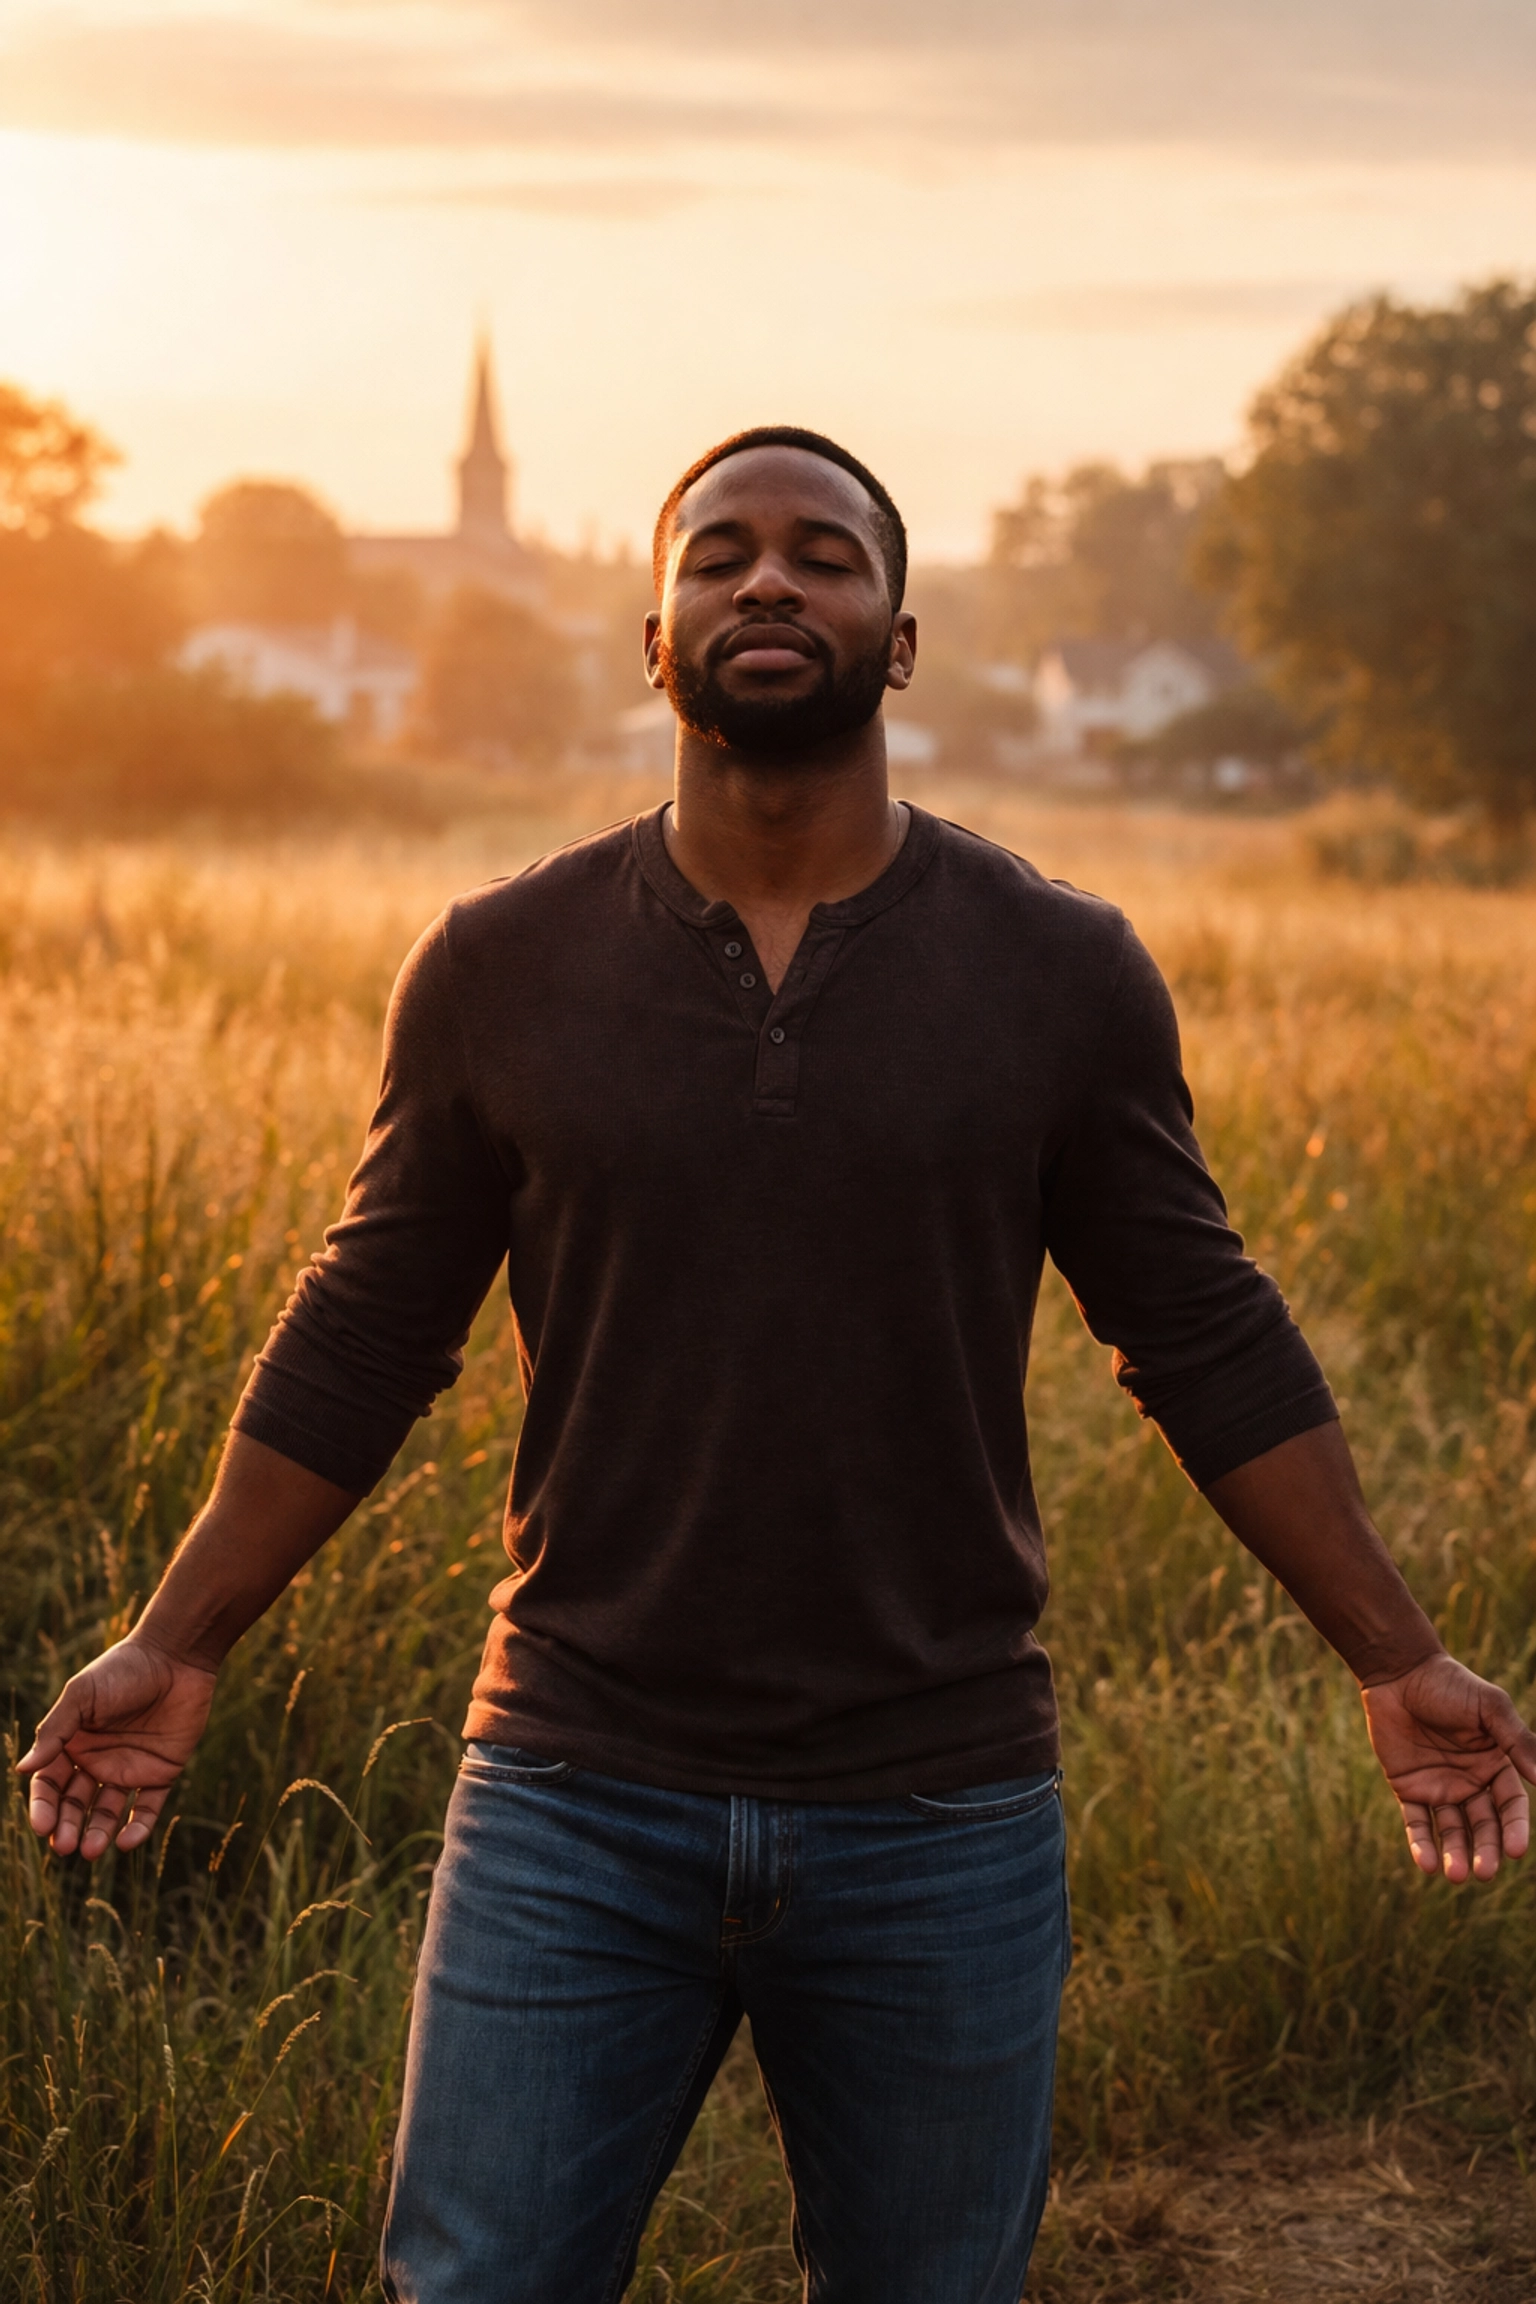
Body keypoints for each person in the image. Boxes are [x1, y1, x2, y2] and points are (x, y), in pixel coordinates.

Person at [21, 427, 1536, 2304]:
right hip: (574, 1789)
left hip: (942, 1813)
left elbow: (1204, 1331)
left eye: (825, 556)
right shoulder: (500, 965)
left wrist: (1398, 1657)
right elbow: (361, 1331)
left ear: (900, 639)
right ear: (648, 635)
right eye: (721, 552)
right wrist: (177, 1645)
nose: (769, 581)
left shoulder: (1062, 970)